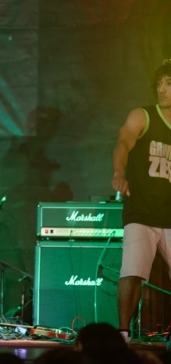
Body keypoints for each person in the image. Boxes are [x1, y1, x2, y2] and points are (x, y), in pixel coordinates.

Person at [112, 60, 171, 344]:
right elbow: (123, 142)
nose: (162, 89)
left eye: (168, 83)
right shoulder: (143, 116)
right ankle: (122, 335)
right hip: (141, 212)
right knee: (132, 272)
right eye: (159, 84)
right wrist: (118, 173)